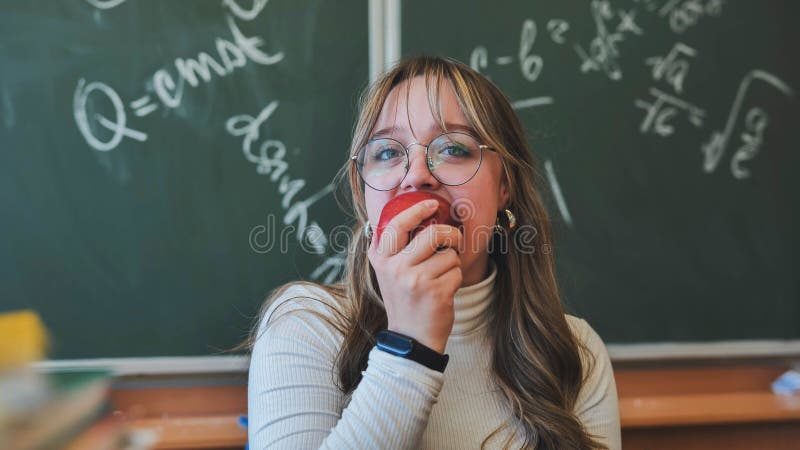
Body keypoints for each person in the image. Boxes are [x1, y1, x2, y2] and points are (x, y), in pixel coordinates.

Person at [246, 56, 621, 449]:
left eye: (454, 148)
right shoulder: (305, 325)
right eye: (388, 153)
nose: (417, 175)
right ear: (365, 192)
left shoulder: (575, 351)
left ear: (504, 186)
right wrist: (411, 345)